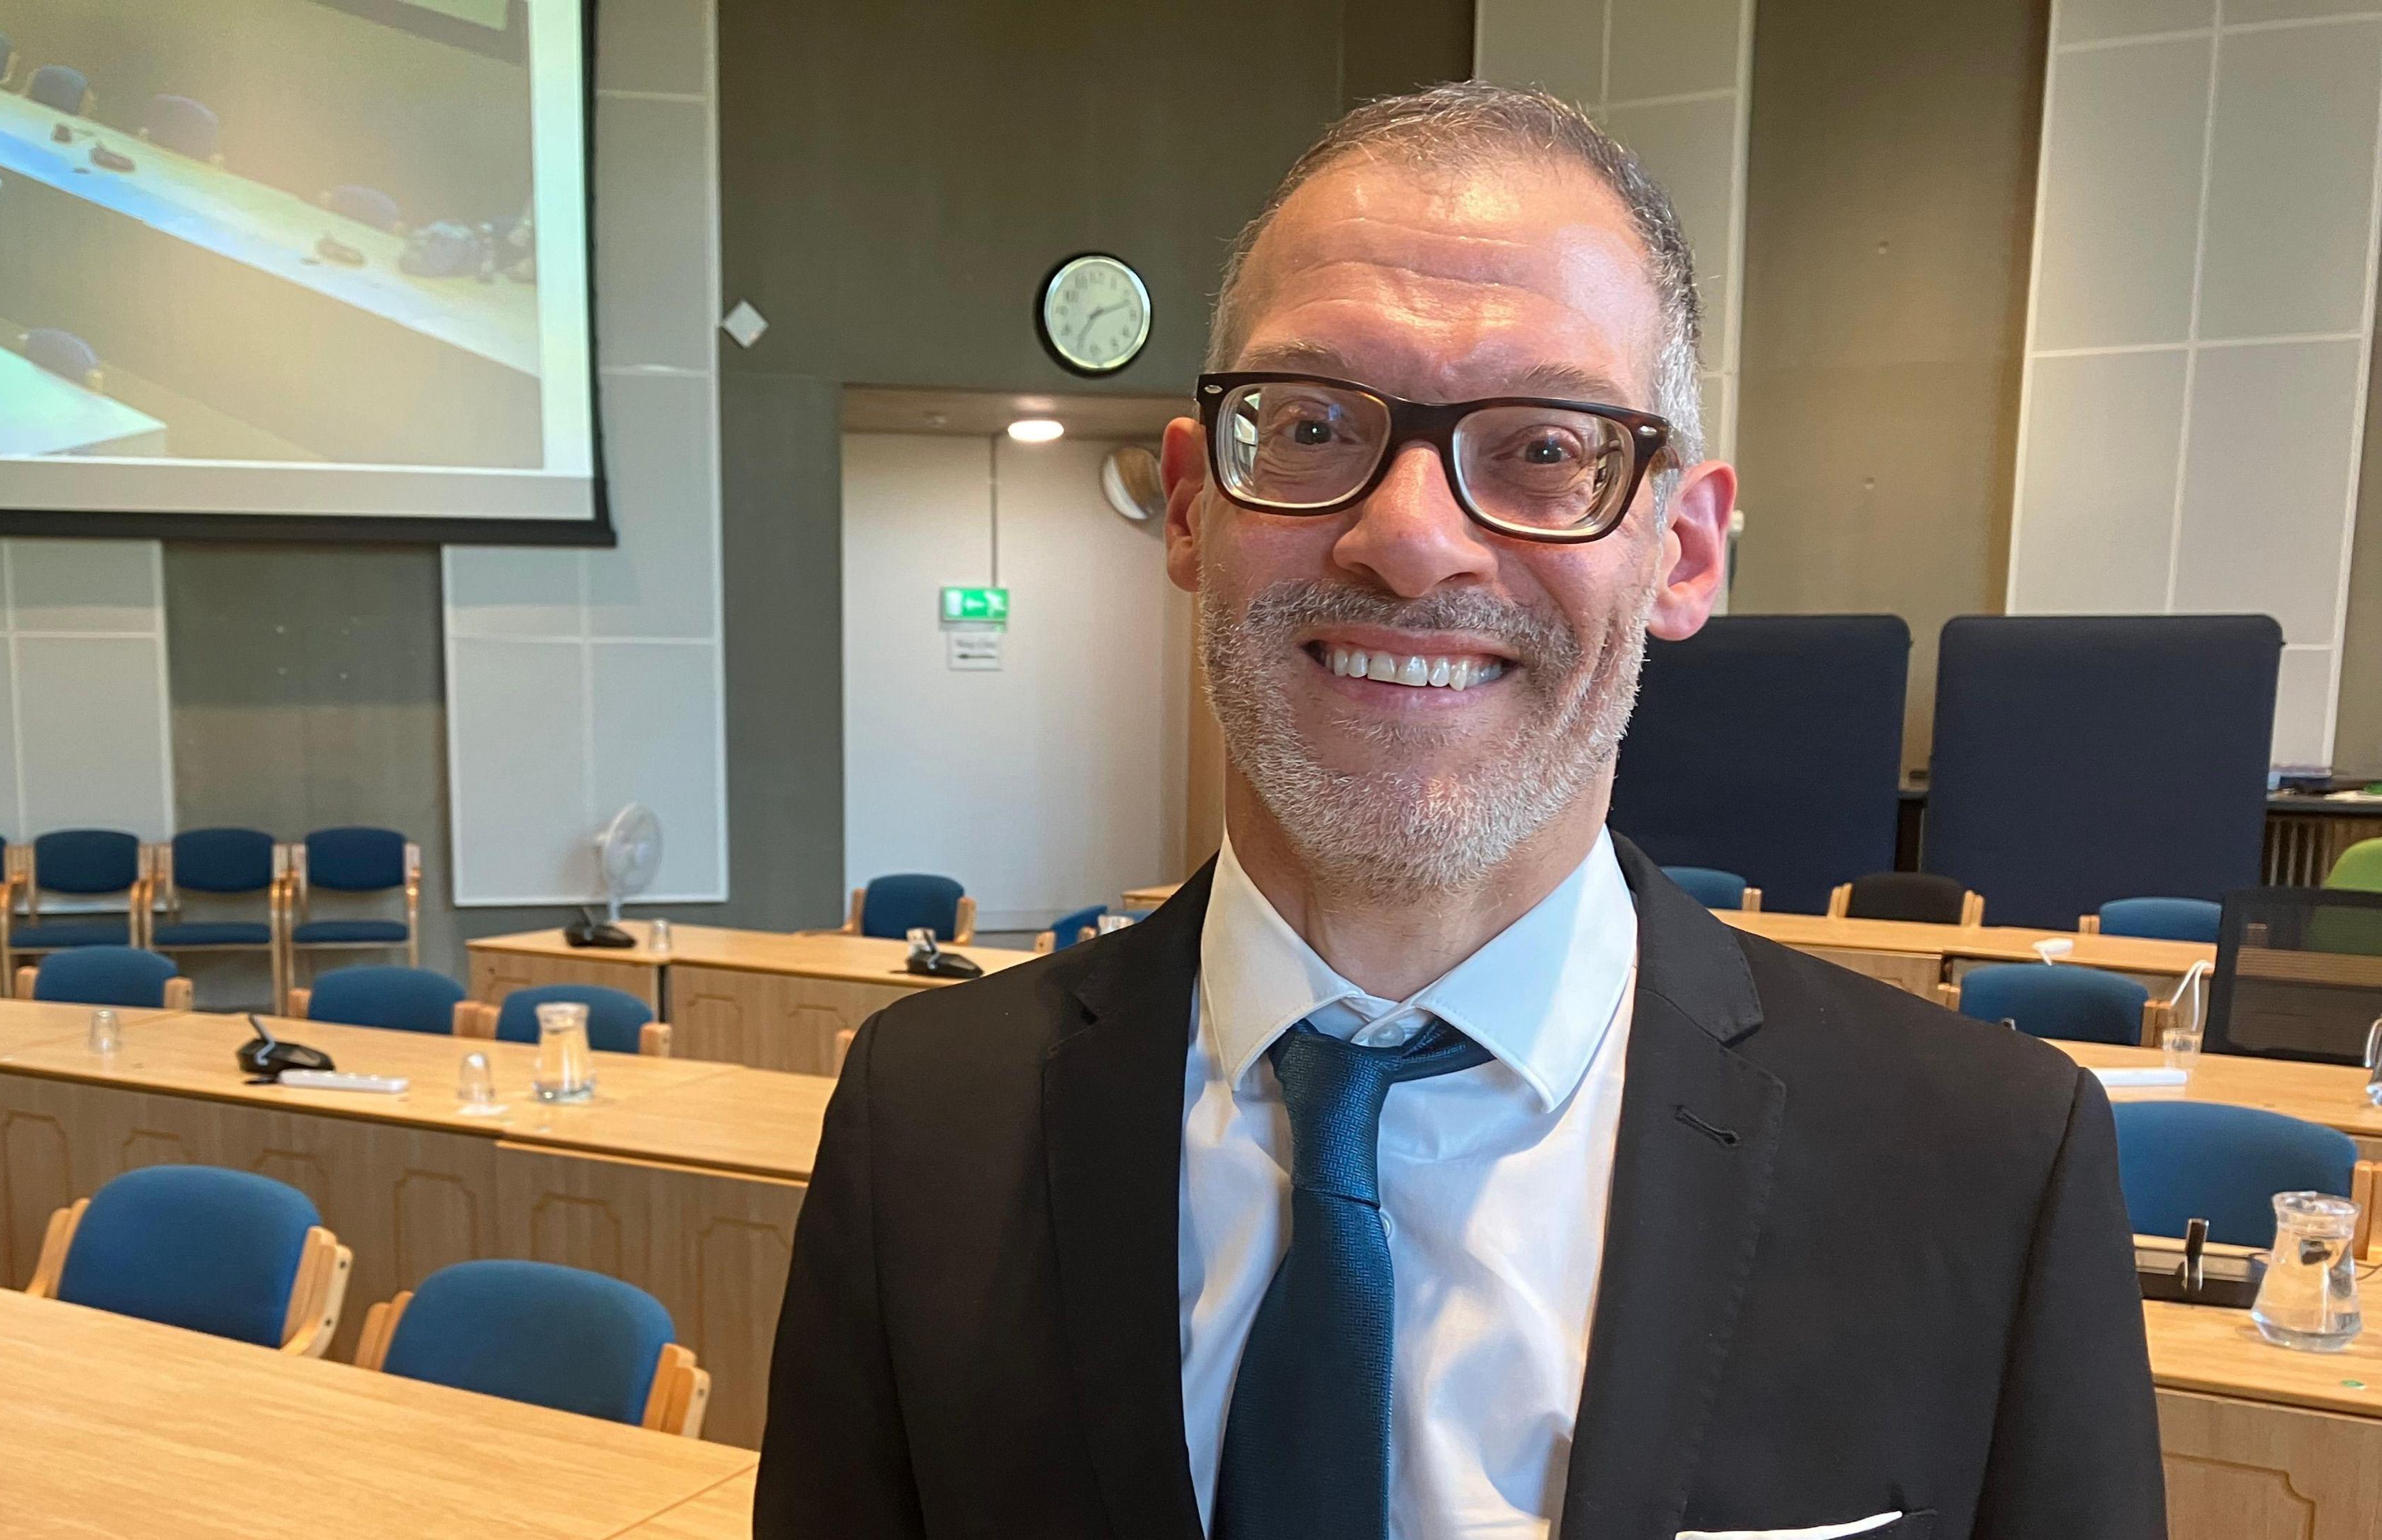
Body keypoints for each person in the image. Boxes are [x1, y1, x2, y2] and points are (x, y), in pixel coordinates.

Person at [756, 81, 2162, 1540]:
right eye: (1307, 425)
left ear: (1683, 551)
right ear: (1190, 509)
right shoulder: (922, 1122)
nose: (1411, 541)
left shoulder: (1989, 1164)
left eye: (1546, 450)